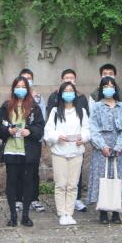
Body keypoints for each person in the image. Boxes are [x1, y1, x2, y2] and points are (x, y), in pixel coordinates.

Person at [0, 77, 45, 227]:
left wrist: (30, 131)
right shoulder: (6, 106)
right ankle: (13, 215)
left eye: (23, 87)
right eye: (17, 86)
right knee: (11, 182)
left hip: (27, 150)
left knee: (27, 181)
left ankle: (25, 215)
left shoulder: (34, 107)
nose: (20, 89)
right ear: (13, 88)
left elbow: (40, 128)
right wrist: (7, 130)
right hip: (11, 149)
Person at [44, 81, 90, 226]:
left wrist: (83, 138)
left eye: (71, 91)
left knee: (72, 184)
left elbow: (86, 129)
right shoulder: (55, 112)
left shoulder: (81, 111)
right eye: (66, 91)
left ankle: (69, 213)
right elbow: (48, 131)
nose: (68, 93)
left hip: (76, 152)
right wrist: (57, 137)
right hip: (59, 152)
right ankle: (61, 213)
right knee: (61, 184)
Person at [88, 76, 122, 224]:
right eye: (105, 86)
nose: (109, 89)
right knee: (102, 177)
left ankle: (116, 211)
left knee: (117, 178)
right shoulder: (97, 107)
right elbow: (93, 129)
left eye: (111, 86)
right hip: (101, 148)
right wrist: (103, 146)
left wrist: (118, 147)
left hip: (118, 148)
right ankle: (103, 212)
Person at [19, 69, 48, 213]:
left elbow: (41, 120)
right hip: (18, 140)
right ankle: (19, 199)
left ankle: (34, 199)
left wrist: (37, 135)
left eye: (29, 78)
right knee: (19, 171)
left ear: (33, 80)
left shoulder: (39, 98)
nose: (26, 81)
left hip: (34, 139)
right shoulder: (13, 98)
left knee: (33, 171)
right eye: (23, 78)